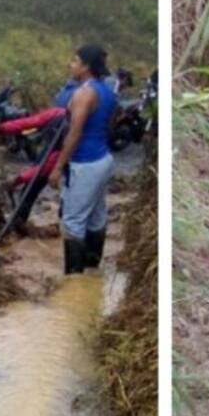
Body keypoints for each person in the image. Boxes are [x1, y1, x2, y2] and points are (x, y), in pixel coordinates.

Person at [49, 44, 117, 274]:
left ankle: (74, 281)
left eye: (75, 61)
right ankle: (92, 270)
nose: (72, 65)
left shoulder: (84, 93)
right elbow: (108, 125)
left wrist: (58, 167)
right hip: (104, 159)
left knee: (73, 222)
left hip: (85, 163)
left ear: (86, 66)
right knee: (96, 217)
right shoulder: (107, 91)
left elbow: (75, 133)